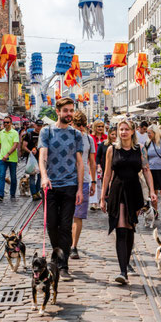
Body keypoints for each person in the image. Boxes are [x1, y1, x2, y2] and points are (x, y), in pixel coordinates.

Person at [100, 120, 156, 284]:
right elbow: (107, 174)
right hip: (117, 190)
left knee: (130, 227)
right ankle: (123, 270)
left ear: (132, 131)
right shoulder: (112, 149)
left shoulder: (140, 149)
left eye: (126, 129)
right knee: (121, 227)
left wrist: (152, 191)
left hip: (134, 191)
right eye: (120, 129)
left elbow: (146, 170)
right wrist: (103, 197)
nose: (123, 132)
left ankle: (126, 261)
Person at [39, 97, 84, 280]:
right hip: (50, 185)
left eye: (71, 110)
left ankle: (62, 264)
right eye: (65, 110)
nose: (69, 114)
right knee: (52, 225)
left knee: (65, 226)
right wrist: (44, 176)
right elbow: (43, 157)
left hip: (70, 185)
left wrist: (80, 188)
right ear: (57, 112)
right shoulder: (46, 131)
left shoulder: (76, 134)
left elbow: (80, 164)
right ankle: (56, 255)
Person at [70, 111, 96, 260]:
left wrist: (93, 181)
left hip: (84, 180)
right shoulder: (67, 137)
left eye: (82, 125)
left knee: (78, 215)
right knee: (66, 215)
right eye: (77, 125)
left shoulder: (88, 139)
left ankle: (74, 245)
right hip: (67, 180)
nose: (80, 128)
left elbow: (92, 162)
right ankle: (66, 241)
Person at [0, 117, 19, 201]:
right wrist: (2, 154)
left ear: (11, 123)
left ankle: (12, 193)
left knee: (13, 177)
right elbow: (0, 145)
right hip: (2, 158)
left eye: (7, 122)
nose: (5, 124)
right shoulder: (1, 132)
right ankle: (0, 194)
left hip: (12, 158)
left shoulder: (15, 133)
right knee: (1, 176)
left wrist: (8, 154)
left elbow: (15, 145)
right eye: (4, 122)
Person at [94, 127, 116, 211]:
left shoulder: (120, 145)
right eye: (112, 134)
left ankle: (112, 205)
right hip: (105, 169)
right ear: (109, 134)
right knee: (106, 188)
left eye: (115, 134)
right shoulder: (103, 144)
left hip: (116, 169)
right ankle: (106, 201)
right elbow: (98, 156)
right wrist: (98, 166)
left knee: (113, 187)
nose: (114, 136)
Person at [22, 119, 43, 201]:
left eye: (41, 126)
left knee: (40, 176)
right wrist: (30, 152)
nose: (39, 127)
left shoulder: (43, 134)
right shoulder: (29, 134)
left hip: (40, 158)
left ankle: (38, 191)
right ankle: (34, 193)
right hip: (31, 159)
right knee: (32, 176)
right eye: (38, 125)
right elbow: (24, 146)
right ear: (35, 125)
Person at [90, 120, 107, 210]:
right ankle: (93, 202)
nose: (100, 128)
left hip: (104, 162)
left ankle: (101, 200)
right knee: (94, 181)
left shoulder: (106, 137)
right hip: (93, 162)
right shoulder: (91, 137)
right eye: (98, 126)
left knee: (102, 183)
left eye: (102, 126)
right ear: (95, 127)